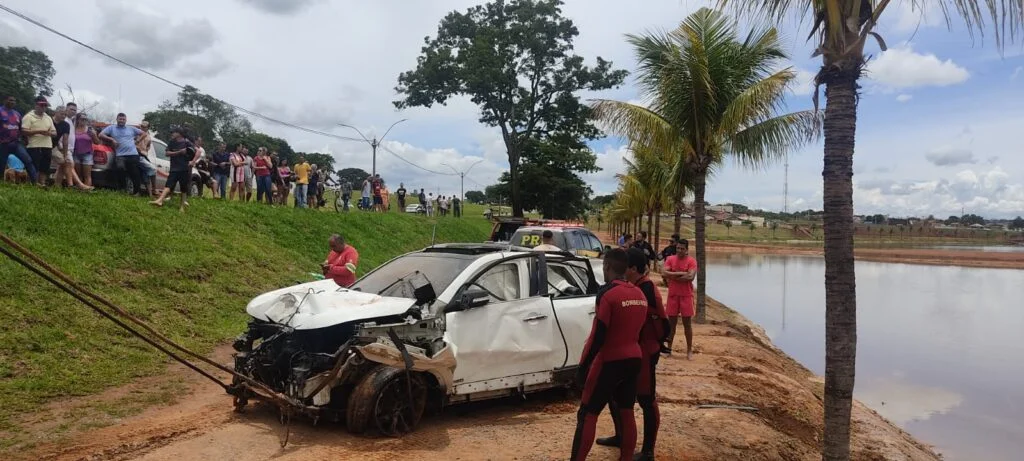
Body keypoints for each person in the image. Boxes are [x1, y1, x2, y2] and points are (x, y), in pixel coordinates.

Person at [570, 248, 648, 461]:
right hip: (634, 359)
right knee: (626, 411)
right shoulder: (639, 294)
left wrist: (582, 368)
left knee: (587, 414)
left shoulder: (607, 293)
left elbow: (597, 335)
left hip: (610, 360)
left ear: (606, 266)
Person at [596, 249, 669, 460]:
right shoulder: (635, 287)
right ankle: (621, 436)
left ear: (634, 269)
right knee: (616, 396)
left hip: (645, 350)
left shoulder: (646, 289)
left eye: (625, 267)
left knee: (646, 399)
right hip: (632, 350)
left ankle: (648, 451)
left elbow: (662, 325)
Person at [662, 238, 698, 359]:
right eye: (678, 248)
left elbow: (690, 277)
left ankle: (689, 350)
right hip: (673, 295)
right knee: (671, 324)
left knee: (687, 324)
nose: (679, 250)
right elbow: (663, 273)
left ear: (686, 250)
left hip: (686, 296)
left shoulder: (692, 261)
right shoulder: (670, 259)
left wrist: (672, 275)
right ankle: (669, 349)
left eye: (682, 249)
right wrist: (680, 274)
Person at [150, 127, 197, 211]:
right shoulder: (172, 142)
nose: (172, 134)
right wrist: (179, 152)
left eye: (173, 132)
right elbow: (167, 153)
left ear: (179, 133)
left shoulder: (187, 143)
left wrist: (192, 161)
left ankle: (182, 207)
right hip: (174, 168)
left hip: (184, 168)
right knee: (168, 185)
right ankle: (160, 200)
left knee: (183, 189)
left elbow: (193, 152)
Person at [99, 113, 144, 195]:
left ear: (126, 120)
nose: (122, 121)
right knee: (120, 169)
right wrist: (111, 139)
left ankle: (137, 192)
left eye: (123, 119)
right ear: (117, 119)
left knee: (134, 173)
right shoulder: (111, 128)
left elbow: (144, 134)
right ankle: (123, 189)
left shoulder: (131, 128)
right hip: (120, 155)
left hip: (133, 154)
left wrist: (137, 141)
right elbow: (100, 135)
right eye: (120, 119)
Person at [50, 108, 92, 190]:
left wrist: (64, 153)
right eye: (62, 114)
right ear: (56, 112)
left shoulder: (67, 123)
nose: (63, 116)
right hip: (49, 146)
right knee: (67, 163)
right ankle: (74, 185)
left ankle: (57, 185)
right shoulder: (49, 121)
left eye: (64, 114)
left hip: (60, 147)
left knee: (64, 164)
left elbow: (65, 139)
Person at [1, 95, 37, 183]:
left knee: (28, 160)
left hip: (16, 143)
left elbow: (20, 128)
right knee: (1, 164)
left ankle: (35, 182)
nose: (12, 102)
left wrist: (25, 139)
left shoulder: (17, 114)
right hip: (2, 143)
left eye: (14, 101)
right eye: (10, 100)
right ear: (5, 100)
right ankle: (2, 182)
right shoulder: (1, 111)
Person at [22, 96, 56, 187]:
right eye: (42, 105)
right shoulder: (28, 117)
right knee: (33, 166)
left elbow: (54, 132)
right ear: (36, 105)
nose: (44, 107)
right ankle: (33, 183)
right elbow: (24, 131)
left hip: (47, 145)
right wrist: (39, 131)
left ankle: (42, 183)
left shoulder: (48, 117)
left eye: (45, 106)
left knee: (44, 167)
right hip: (34, 145)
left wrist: (49, 133)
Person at [71, 114, 100, 188]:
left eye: (85, 119)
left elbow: (97, 142)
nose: (84, 121)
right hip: (75, 154)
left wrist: (94, 135)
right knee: (78, 174)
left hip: (87, 154)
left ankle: (87, 190)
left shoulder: (90, 130)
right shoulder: (73, 129)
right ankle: (80, 190)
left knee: (87, 175)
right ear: (77, 120)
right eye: (82, 119)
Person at [135, 120, 158, 196]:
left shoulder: (148, 136)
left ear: (148, 127)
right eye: (142, 126)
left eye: (144, 127)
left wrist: (146, 149)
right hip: (137, 155)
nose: (142, 128)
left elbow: (149, 145)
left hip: (144, 155)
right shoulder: (136, 133)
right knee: (153, 169)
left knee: (146, 175)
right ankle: (154, 189)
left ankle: (150, 195)